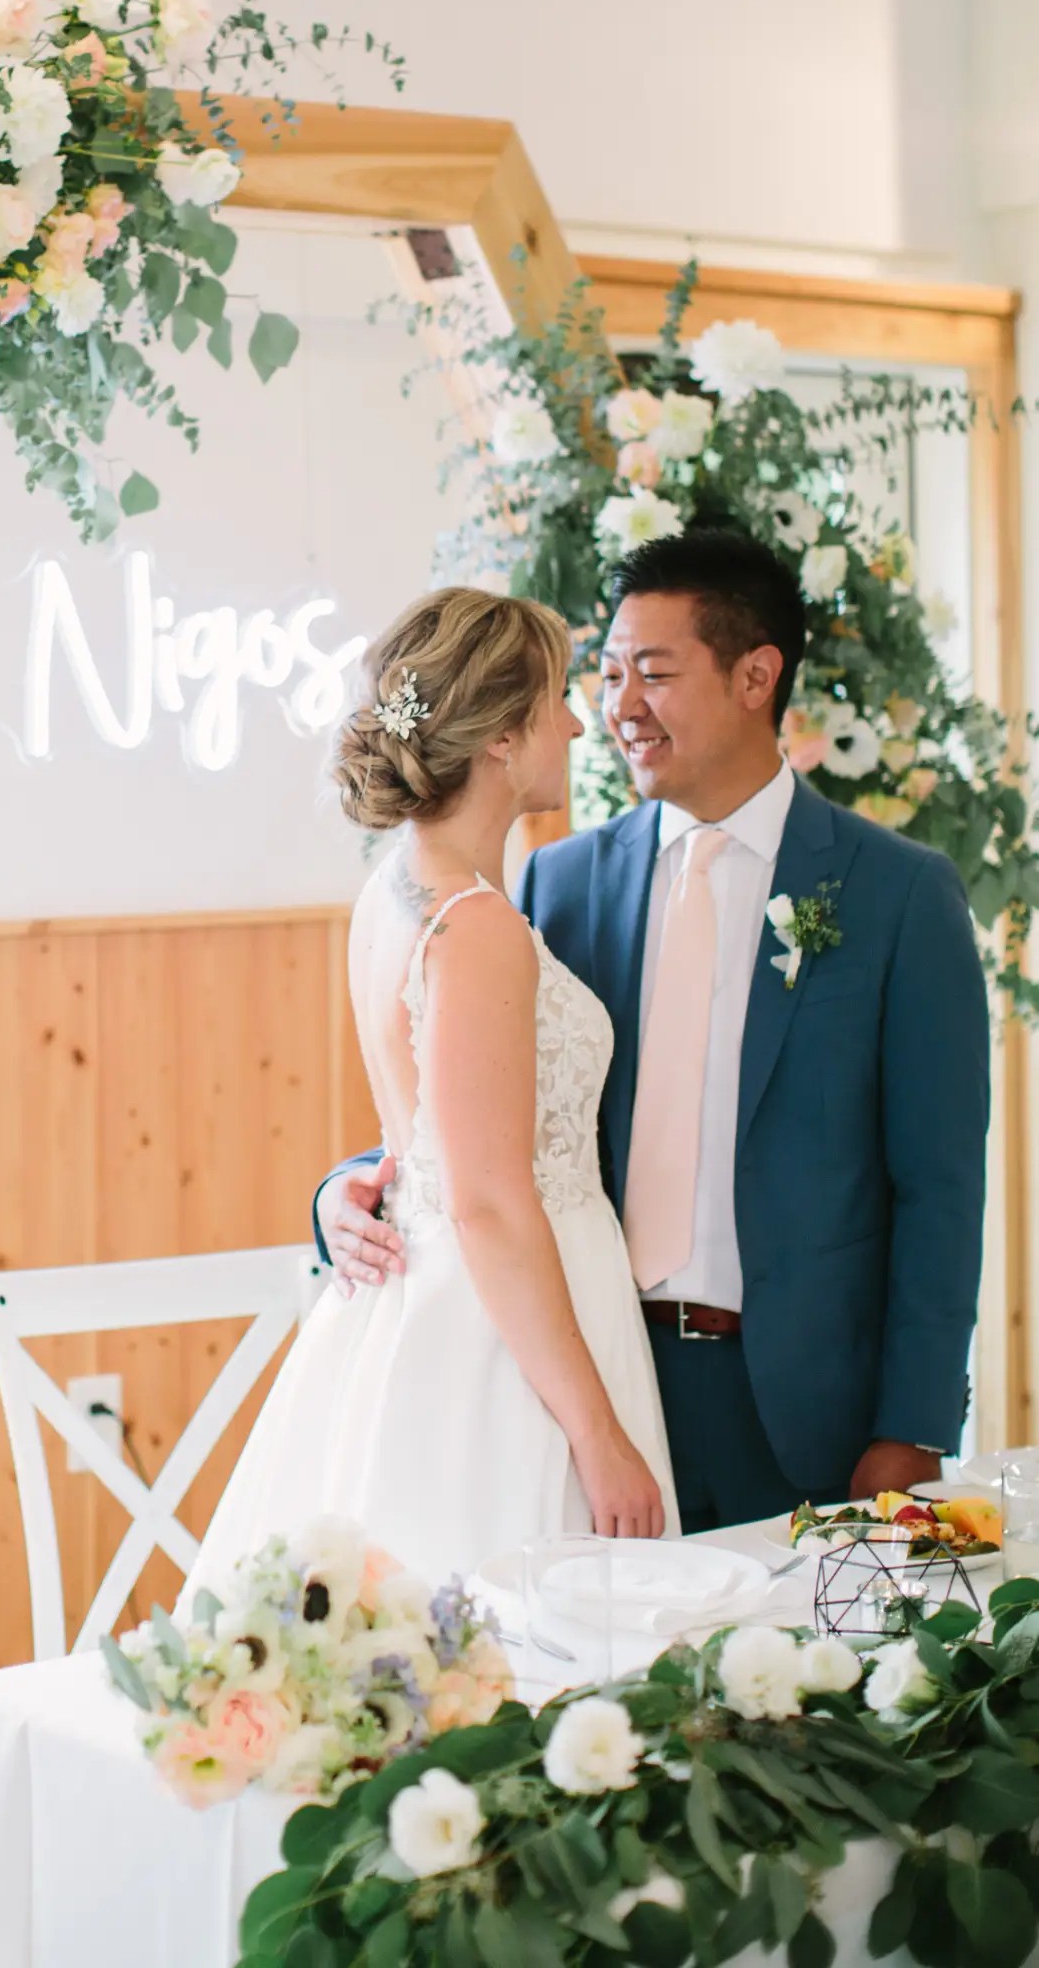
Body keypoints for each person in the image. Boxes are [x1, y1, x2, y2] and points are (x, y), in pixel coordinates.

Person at [318, 528, 991, 1533]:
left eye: (653, 672)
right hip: (585, 1374)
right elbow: (491, 1116)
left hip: (805, 1409)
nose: (615, 706)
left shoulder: (897, 894)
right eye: (604, 673)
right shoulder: (560, 880)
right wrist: (348, 1188)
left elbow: (939, 1184)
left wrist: (914, 1420)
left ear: (755, 675)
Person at [186, 586, 675, 1602]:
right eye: (554, 702)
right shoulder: (473, 921)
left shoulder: (391, 888)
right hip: (506, 1337)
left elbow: (422, 1135)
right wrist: (594, 1427)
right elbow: (489, 1198)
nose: (577, 723)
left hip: (425, 1299)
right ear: (500, 735)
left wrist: (350, 1184)